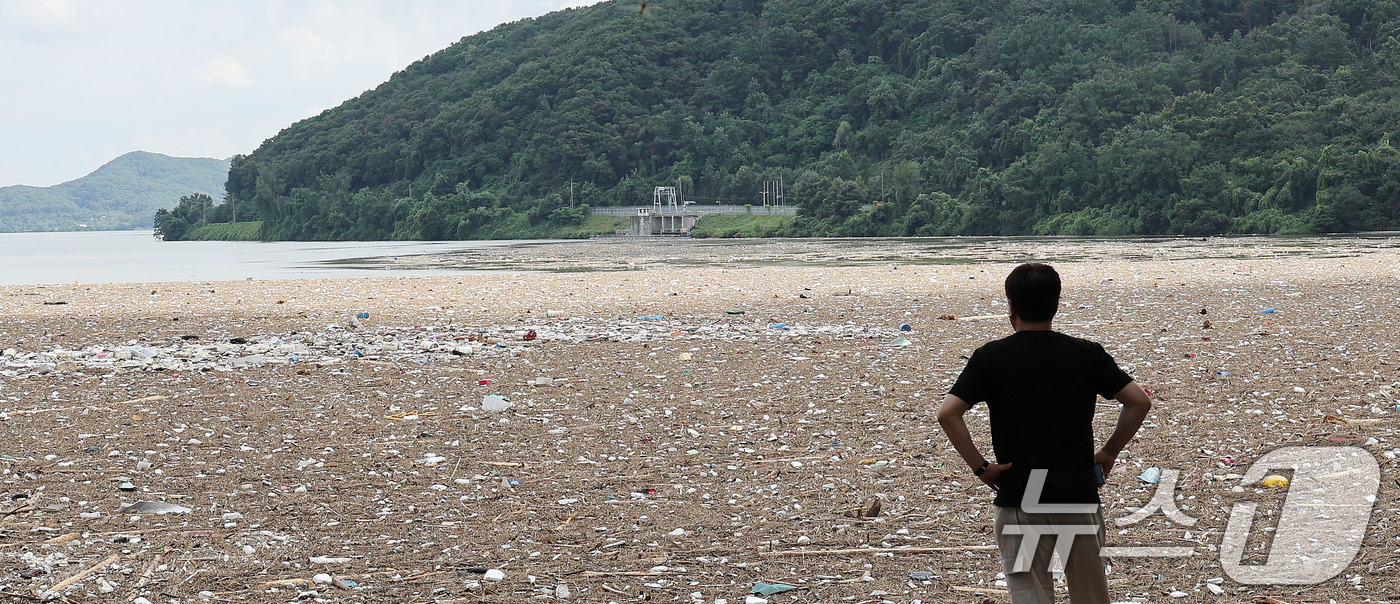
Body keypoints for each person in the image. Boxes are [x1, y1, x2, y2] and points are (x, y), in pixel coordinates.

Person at [936, 263, 1152, 604]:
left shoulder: (991, 357)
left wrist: (982, 468)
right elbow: (1138, 401)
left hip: (1022, 490)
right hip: (1075, 489)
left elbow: (948, 414)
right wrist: (1109, 451)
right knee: (1091, 595)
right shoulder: (1085, 354)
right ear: (1056, 302)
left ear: (1011, 305)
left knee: (1030, 593)